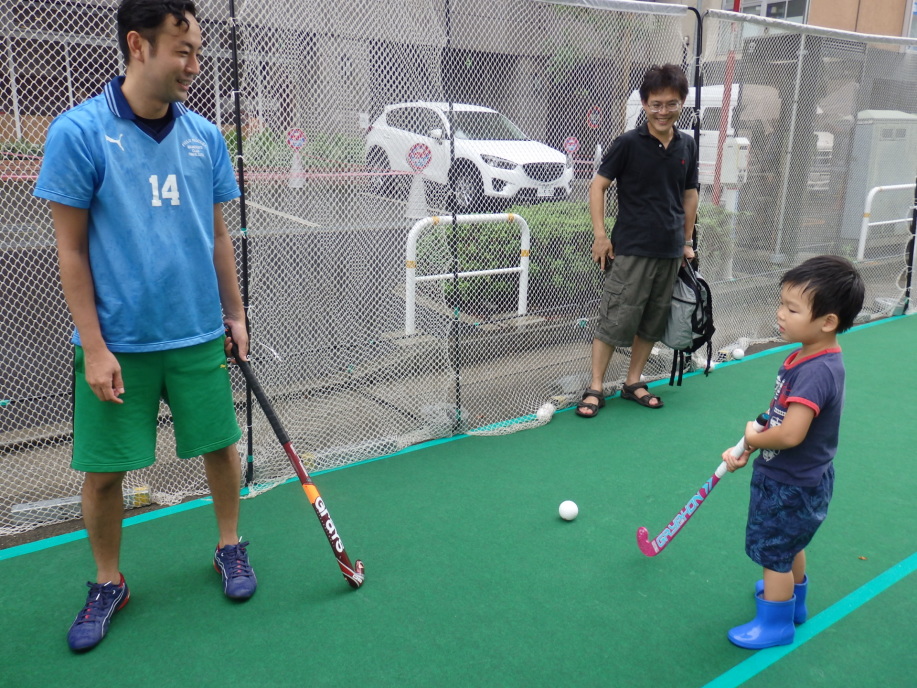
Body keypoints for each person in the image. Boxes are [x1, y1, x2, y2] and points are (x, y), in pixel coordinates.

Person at [33, 0, 256, 652]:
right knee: (105, 474)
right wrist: (94, 346)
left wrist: (235, 315)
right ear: (138, 45)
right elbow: (71, 250)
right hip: (118, 345)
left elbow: (218, 235)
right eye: (182, 51)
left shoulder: (205, 137)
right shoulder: (78, 132)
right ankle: (109, 582)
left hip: (197, 333)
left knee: (221, 448)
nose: (194, 65)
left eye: (198, 52)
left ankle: (229, 545)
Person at [721, 255, 865, 650]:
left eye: (792, 308)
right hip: (801, 476)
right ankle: (794, 602)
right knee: (789, 542)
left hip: (790, 482)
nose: (780, 314)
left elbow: (789, 435)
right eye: (781, 304)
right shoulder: (808, 355)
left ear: (828, 321)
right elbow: (782, 418)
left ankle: (776, 624)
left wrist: (752, 439)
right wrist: (754, 441)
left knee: (774, 554)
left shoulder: (816, 370)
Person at [576, 64, 699, 418]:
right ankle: (595, 386)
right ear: (644, 104)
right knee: (616, 318)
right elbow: (598, 186)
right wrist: (600, 236)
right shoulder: (628, 143)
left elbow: (690, 194)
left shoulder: (687, 145)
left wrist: (686, 242)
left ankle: (633, 382)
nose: (663, 111)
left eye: (671, 104)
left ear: (682, 103)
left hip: (670, 251)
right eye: (656, 104)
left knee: (652, 319)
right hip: (631, 249)